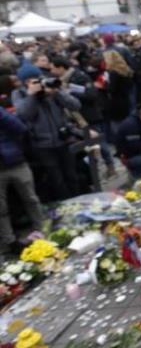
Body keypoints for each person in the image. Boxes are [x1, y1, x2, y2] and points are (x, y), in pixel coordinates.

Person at [12, 65, 82, 202]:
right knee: (57, 180)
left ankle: (79, 201)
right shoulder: (19, 93)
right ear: (24, 82)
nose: (37, 83)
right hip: (42, 145)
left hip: (64, 140)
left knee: (72, 176)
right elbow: (24, 115)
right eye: (31, 81)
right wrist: (31, 96)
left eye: (37, 79)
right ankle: (66, 207)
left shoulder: (50, 87)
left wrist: (57, 92)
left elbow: (75, 105)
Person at [0, 89, 44, 255]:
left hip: (14, 161)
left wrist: (14, 148)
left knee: (30, 198)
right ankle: (9, 242)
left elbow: (19, 128)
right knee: (1, 208)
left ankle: (40, 228)